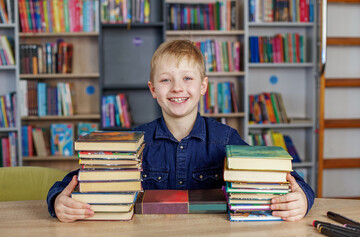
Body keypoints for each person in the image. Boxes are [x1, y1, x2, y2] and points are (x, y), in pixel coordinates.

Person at [47, 40, 314, 223]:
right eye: (166, 80)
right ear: (153, 89)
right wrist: (59, 201)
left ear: (203, 86)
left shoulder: (225, 139)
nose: (177, 88)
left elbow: (287, 179)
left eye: (187, 78)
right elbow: (75, 182)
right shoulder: (133, 144)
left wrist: (301, 198)